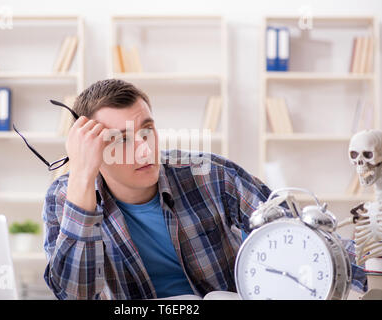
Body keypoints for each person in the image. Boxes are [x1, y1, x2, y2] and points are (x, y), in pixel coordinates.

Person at [42, 79, 366, 300]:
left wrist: (373, 267)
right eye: (121, 140)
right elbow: (76, 293)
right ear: (92, 149)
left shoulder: (209, 174)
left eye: (147, 130)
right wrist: (82, 177)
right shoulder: (67, 196)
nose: (144, 150)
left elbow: (299, 234)